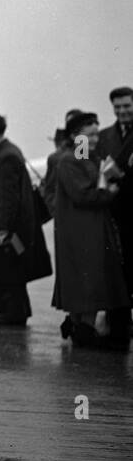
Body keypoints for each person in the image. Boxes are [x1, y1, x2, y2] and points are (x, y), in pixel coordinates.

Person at [52, 111, 129, 350]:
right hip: (83, 229)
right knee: (88, 278)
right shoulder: (71, 160)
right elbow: (83, 194)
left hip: (86, 227)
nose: (95, 139)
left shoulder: (81, 156)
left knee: (84, 279)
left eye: (97, 134)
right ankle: (83, 329)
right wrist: (111, 192)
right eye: (90, 134)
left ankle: (79, 327)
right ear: (76, 135)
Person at [0, 112, 52, 326]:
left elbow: (9, 196)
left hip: (6, 224)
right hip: (6, 222)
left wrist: (4, 228)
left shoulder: (6, 155)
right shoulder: (6, 152)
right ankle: (14, 311)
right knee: (9, 268)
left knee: (9, 269)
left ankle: (14, 313)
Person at [96, 86, 133, 347]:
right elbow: (80, 162)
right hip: (112, 216)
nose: (122, 111)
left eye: (127, 106)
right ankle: (118, 332)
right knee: (116, 274)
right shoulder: (101, 136)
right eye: (117, 107)